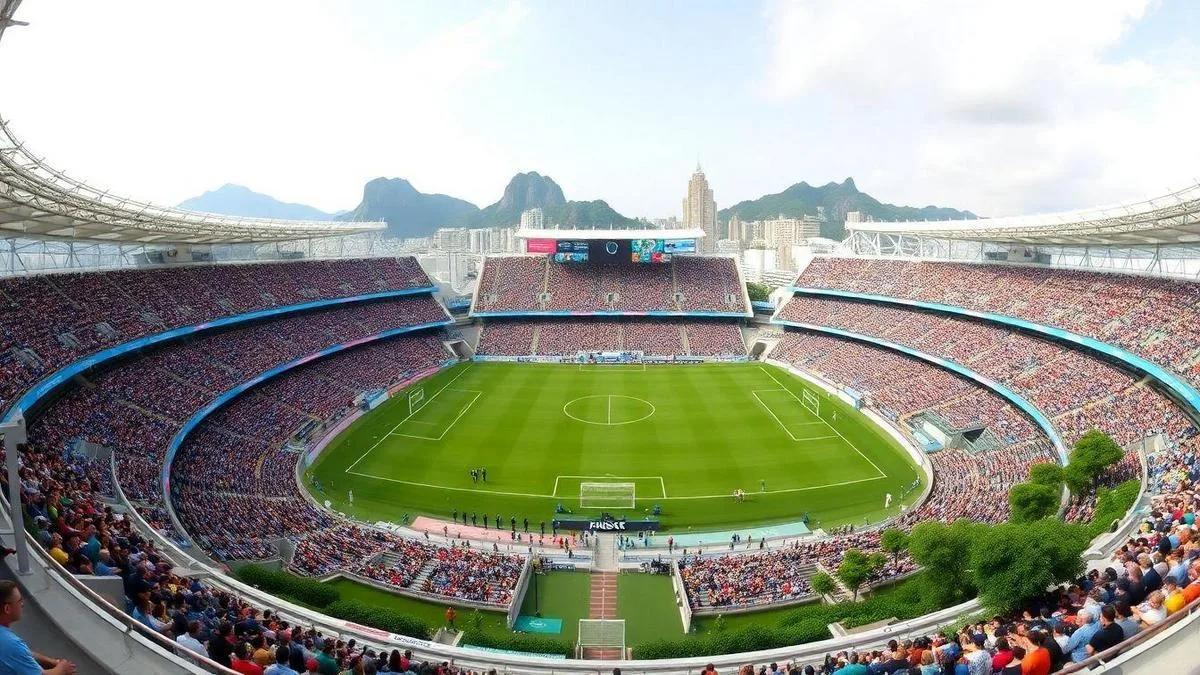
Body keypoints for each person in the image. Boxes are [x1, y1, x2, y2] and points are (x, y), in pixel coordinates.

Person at [0, 581, 77, 674]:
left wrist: (51, 661)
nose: (22, 605)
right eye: (19, 601)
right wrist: (63, 668)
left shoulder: (9, 644)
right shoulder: (11, 644)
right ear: (7, 609)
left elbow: (23, 654)